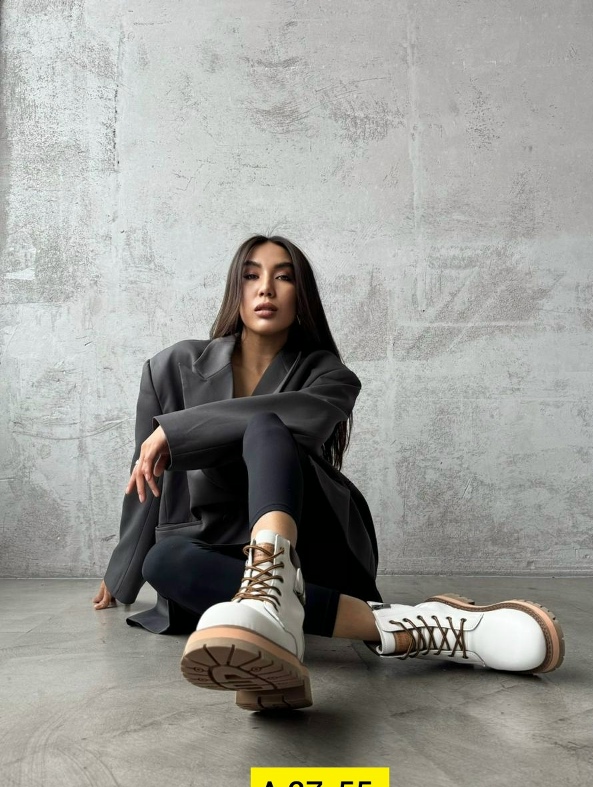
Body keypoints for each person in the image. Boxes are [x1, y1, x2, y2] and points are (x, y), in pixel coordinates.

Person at [94, 234, 565, 712]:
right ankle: (401, 625)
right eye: (252, 276)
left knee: (266, 426)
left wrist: (176, 432)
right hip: (215, 545)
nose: (266, 289)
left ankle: (272, 585)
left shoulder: (331, 376)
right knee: (162, 562)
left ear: (302, 296)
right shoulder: (171, 367)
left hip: (313, 542)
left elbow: (298, 421)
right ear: (236, 290)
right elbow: (145, 479)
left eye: (283, 277)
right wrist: (122, 574)